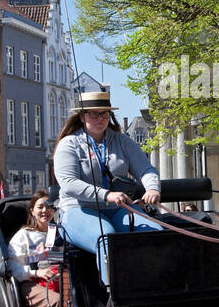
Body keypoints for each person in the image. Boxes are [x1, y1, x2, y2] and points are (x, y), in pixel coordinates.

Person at [53, 88, 162, 288]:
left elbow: (145, 168)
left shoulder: (121, 141)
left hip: (118, 208)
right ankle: (116, 294)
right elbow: (68, 183)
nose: (100, 118)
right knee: (108, 239)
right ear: (82, 116)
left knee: (155, 233)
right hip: (79, 209)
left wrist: (152, 188)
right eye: (94, 114)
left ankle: (155, 287)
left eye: (104, 113)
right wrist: (106, 195)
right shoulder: (69, 144)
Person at [6, 190, 60, 307]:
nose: (45, 211)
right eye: (40, 207)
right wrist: (36, 272)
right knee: (55, 303)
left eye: (49, 207)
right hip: (30, 283)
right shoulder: (23, 235)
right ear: (32, 211)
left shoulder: (58, 232)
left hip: (57, 278)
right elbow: (13, 267)